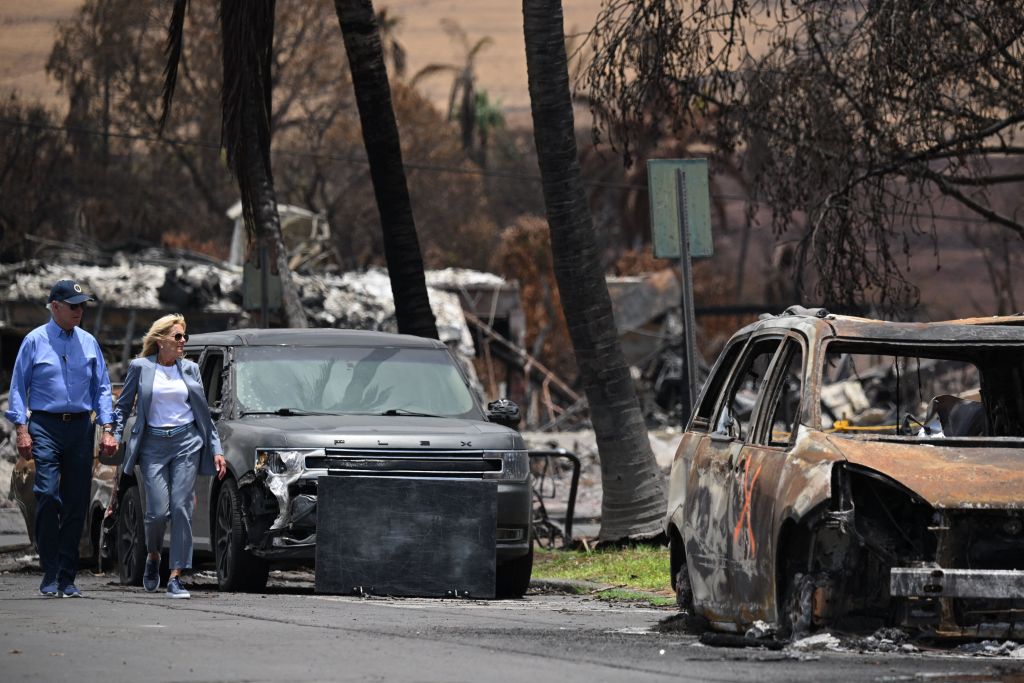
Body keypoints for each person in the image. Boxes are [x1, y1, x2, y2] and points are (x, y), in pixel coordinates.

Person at [5, 280, 118, 598]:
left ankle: (67, 577)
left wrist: (108, 428)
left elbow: (102, 388)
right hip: (45, 426)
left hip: (81, 428)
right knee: (47, 494)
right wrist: (21, 429)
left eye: (82, 305)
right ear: (55, 307)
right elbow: (18, 387)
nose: (79, 311)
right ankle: (50, 569)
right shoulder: (34, 341)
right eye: (73, 306)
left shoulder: (89, 342)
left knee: (76, 502)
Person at [112, 314, 227, 599]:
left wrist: (216, 449)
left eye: (184, 336)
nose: (182, 341)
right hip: (152, 445)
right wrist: (113, 435)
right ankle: (153, 555)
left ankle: (176, 576)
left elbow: (203, 413)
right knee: (156, 513)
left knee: (180, 508)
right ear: (161, 339)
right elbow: (123, 406)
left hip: (186, 442)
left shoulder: (190, 369)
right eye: (177, 336)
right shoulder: (140, 367)